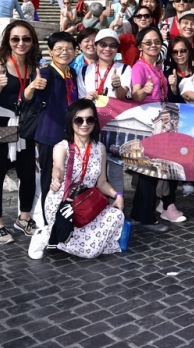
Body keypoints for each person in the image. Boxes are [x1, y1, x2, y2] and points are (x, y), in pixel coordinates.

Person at [28, 99, 125, 259]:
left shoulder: (99, 148)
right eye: (79, 120)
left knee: (117, 216)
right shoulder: (62, 147)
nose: (84, 124)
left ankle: (56, 237)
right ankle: (45, 235)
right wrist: (56, 178)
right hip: (63, 203)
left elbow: (101, 182)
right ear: (71, 122)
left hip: (86, 203)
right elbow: (58, 167)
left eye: (90, 119)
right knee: (90, 252)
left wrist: (117, 195)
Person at [0, 21, 39, 243]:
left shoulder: (33, 67)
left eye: (26, 38)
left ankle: (24, 218)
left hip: (23, 126)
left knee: (28, 174)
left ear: (32, 41)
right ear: (8, 41)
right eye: (15, 39)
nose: (21, 43)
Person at [24, 32, 80, 222]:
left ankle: (63, 220)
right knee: (50, 179)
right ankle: (48, 222)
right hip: (50, 134)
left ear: (75, 51)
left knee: (67, 178)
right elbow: (28, 99)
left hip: (69, 134)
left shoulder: (72, 73)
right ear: (50, 51)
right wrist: (32, 87)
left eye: (69, 49)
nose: (65, 52)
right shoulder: (46, 72)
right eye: (59, 49)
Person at [129, 27, 170, 233]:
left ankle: (137, 214)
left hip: (159, 123)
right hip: (147, 124)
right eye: (148, 42)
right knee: (150, 170)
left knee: (149, 171)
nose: (153, 45)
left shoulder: (157, 67)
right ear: (140, 46)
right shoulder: (139, 67)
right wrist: (143, 91)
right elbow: (135, 94)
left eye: (157, 41)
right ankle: (147, 217)